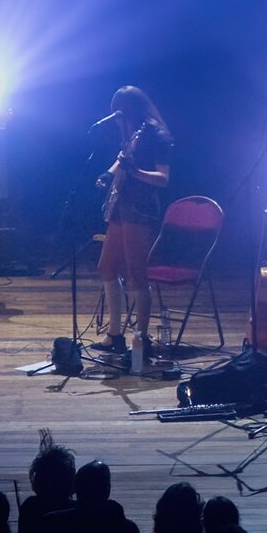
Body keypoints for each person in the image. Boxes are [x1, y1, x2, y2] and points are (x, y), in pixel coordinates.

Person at [96, 85, 172, 357]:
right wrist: (108, 173)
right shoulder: (133, 133)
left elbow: (163, 178)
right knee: (106, 267)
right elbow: (123, 159)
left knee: (136, 273)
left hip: (140, 209)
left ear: (131, 111)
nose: (118, 121)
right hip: (121, 205)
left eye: (120, 115)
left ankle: (141, 339)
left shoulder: (157, 136)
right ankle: (114, 334)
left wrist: (136, 172)